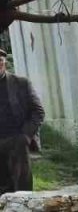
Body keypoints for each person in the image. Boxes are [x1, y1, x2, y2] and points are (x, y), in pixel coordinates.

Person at [0, 48, 45, 195]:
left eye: (0, 62)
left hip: (16, 141)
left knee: (22, 188)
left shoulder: (21, 83)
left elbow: (38, 112)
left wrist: (25, 136)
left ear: (4, 63)